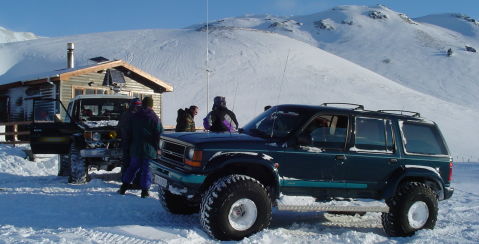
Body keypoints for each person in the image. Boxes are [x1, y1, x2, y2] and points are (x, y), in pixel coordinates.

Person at [118, 97, 163, 198]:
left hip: (135, 148)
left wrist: (128, 145)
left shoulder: (134, 116)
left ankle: (124, 187)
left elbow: (128, 132)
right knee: (146, 170)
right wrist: (159, 148)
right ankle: (145, 191)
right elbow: (160, 133)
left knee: (132, 167)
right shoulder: (154, 117)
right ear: (151, 105)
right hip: (150, 149)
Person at [116, 98, 142, 185]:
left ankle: (130, 180)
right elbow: (120, 129)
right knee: (130, 162)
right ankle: (128, 181)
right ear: (132, 105)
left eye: (139, 105)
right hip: (130, 142)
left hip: (131, 142)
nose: (137, 107)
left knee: (131, 162)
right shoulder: (131, 115)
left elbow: (118, 129)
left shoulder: (127, 115)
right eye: (136, 105)